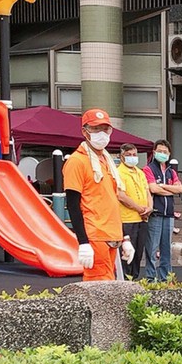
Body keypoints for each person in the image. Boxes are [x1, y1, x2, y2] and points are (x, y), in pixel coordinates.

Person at [64, 108, 133, 282]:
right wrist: (83, 241)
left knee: (108, 285)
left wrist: (124, 237)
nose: (102, 134)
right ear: (84, 131)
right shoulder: (77, 161)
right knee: (100, 287)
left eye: (105, 129)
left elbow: (113, 202)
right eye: (96, 129)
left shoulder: (106, 160)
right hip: (95, 235)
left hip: (111, 234)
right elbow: (73, 204)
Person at [143, 139, 182, 282]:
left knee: (167, 249)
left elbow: (180, 189)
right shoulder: (149, 169)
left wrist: (163, 187)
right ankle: (150, 278)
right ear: (154, 152)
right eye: (159, 151)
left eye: (165, 152)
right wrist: (170, 190)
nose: (162, 154)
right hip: (155, 213)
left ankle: (165, 279)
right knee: (152, 248)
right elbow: (153, 188)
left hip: (169, 214)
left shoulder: (171, 172)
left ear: (169, 154)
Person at [115, 143, 152, 281]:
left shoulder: (140, 172)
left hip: (142, 219)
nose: (132, 157)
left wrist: (149, 208)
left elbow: (147, 191)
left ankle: (134, 279)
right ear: (122, 156)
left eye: (134, 155)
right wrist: (139, 208)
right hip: (127, 219)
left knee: (138, 253)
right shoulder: (118, 172)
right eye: (128, 155)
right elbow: (121, 195)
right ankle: (124, 280)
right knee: (127, 253)